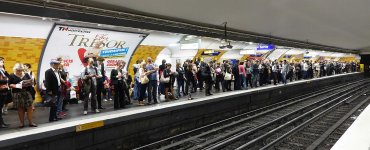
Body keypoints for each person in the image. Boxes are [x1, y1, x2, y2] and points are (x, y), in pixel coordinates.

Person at [9, 63, 37, 128]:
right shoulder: (12, 75)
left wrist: (29, 82)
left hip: (27, 93)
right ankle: (21, 123)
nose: (20, 72)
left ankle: (31, 122)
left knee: (29, 107)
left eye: (21, 70)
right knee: (20, 108)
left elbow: (32, 82)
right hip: (17, 94)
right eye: (18, 70)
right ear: (15, 69)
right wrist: (17, 85)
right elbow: (9, 85)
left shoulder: (26, 74)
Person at [0, 57, 10, 128]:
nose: (3, 63)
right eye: (1, 62)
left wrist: (5, 72)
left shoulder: (2, 70)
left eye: (3, 62)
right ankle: (1, 123)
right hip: (1, 90)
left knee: (0, 107)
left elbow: (9, 77)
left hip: (4, 90)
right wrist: (6, 81)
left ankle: (1, 122)